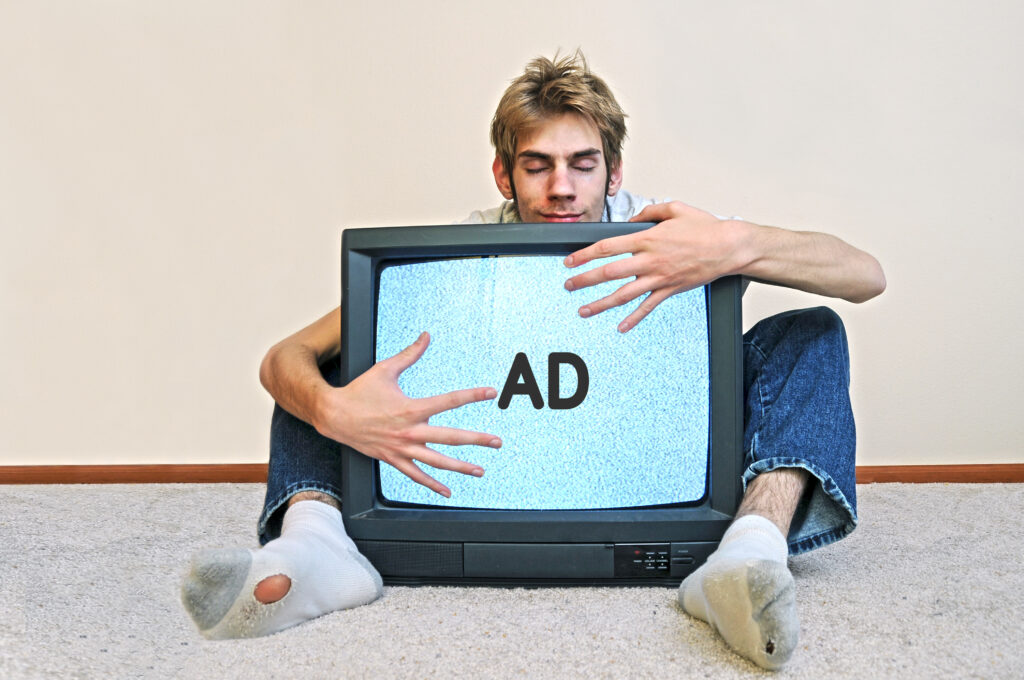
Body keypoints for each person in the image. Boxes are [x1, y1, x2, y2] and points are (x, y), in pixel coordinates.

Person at [182, 51, 885, 670]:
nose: (561, 189)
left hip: (648, 430)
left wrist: (737, 244)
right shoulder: (465, 249)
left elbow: (864, 274)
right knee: (327, 374)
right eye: (537, 165)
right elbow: (286, 357)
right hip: (521, 432)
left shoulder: (672, 231)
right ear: (503, 173)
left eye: (583, 164)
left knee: (812, 331)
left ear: (614, 172)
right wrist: (332, 406)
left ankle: (748, 553)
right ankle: (317, 548)